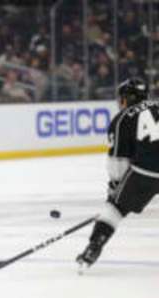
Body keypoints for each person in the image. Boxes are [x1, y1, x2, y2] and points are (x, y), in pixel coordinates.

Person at [76, 77, 159, 271]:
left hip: (145, 172)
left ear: (127, 98)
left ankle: (93, 248)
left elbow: (118, 163)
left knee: (115, 208)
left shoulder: (122, 119)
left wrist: (115, 189)